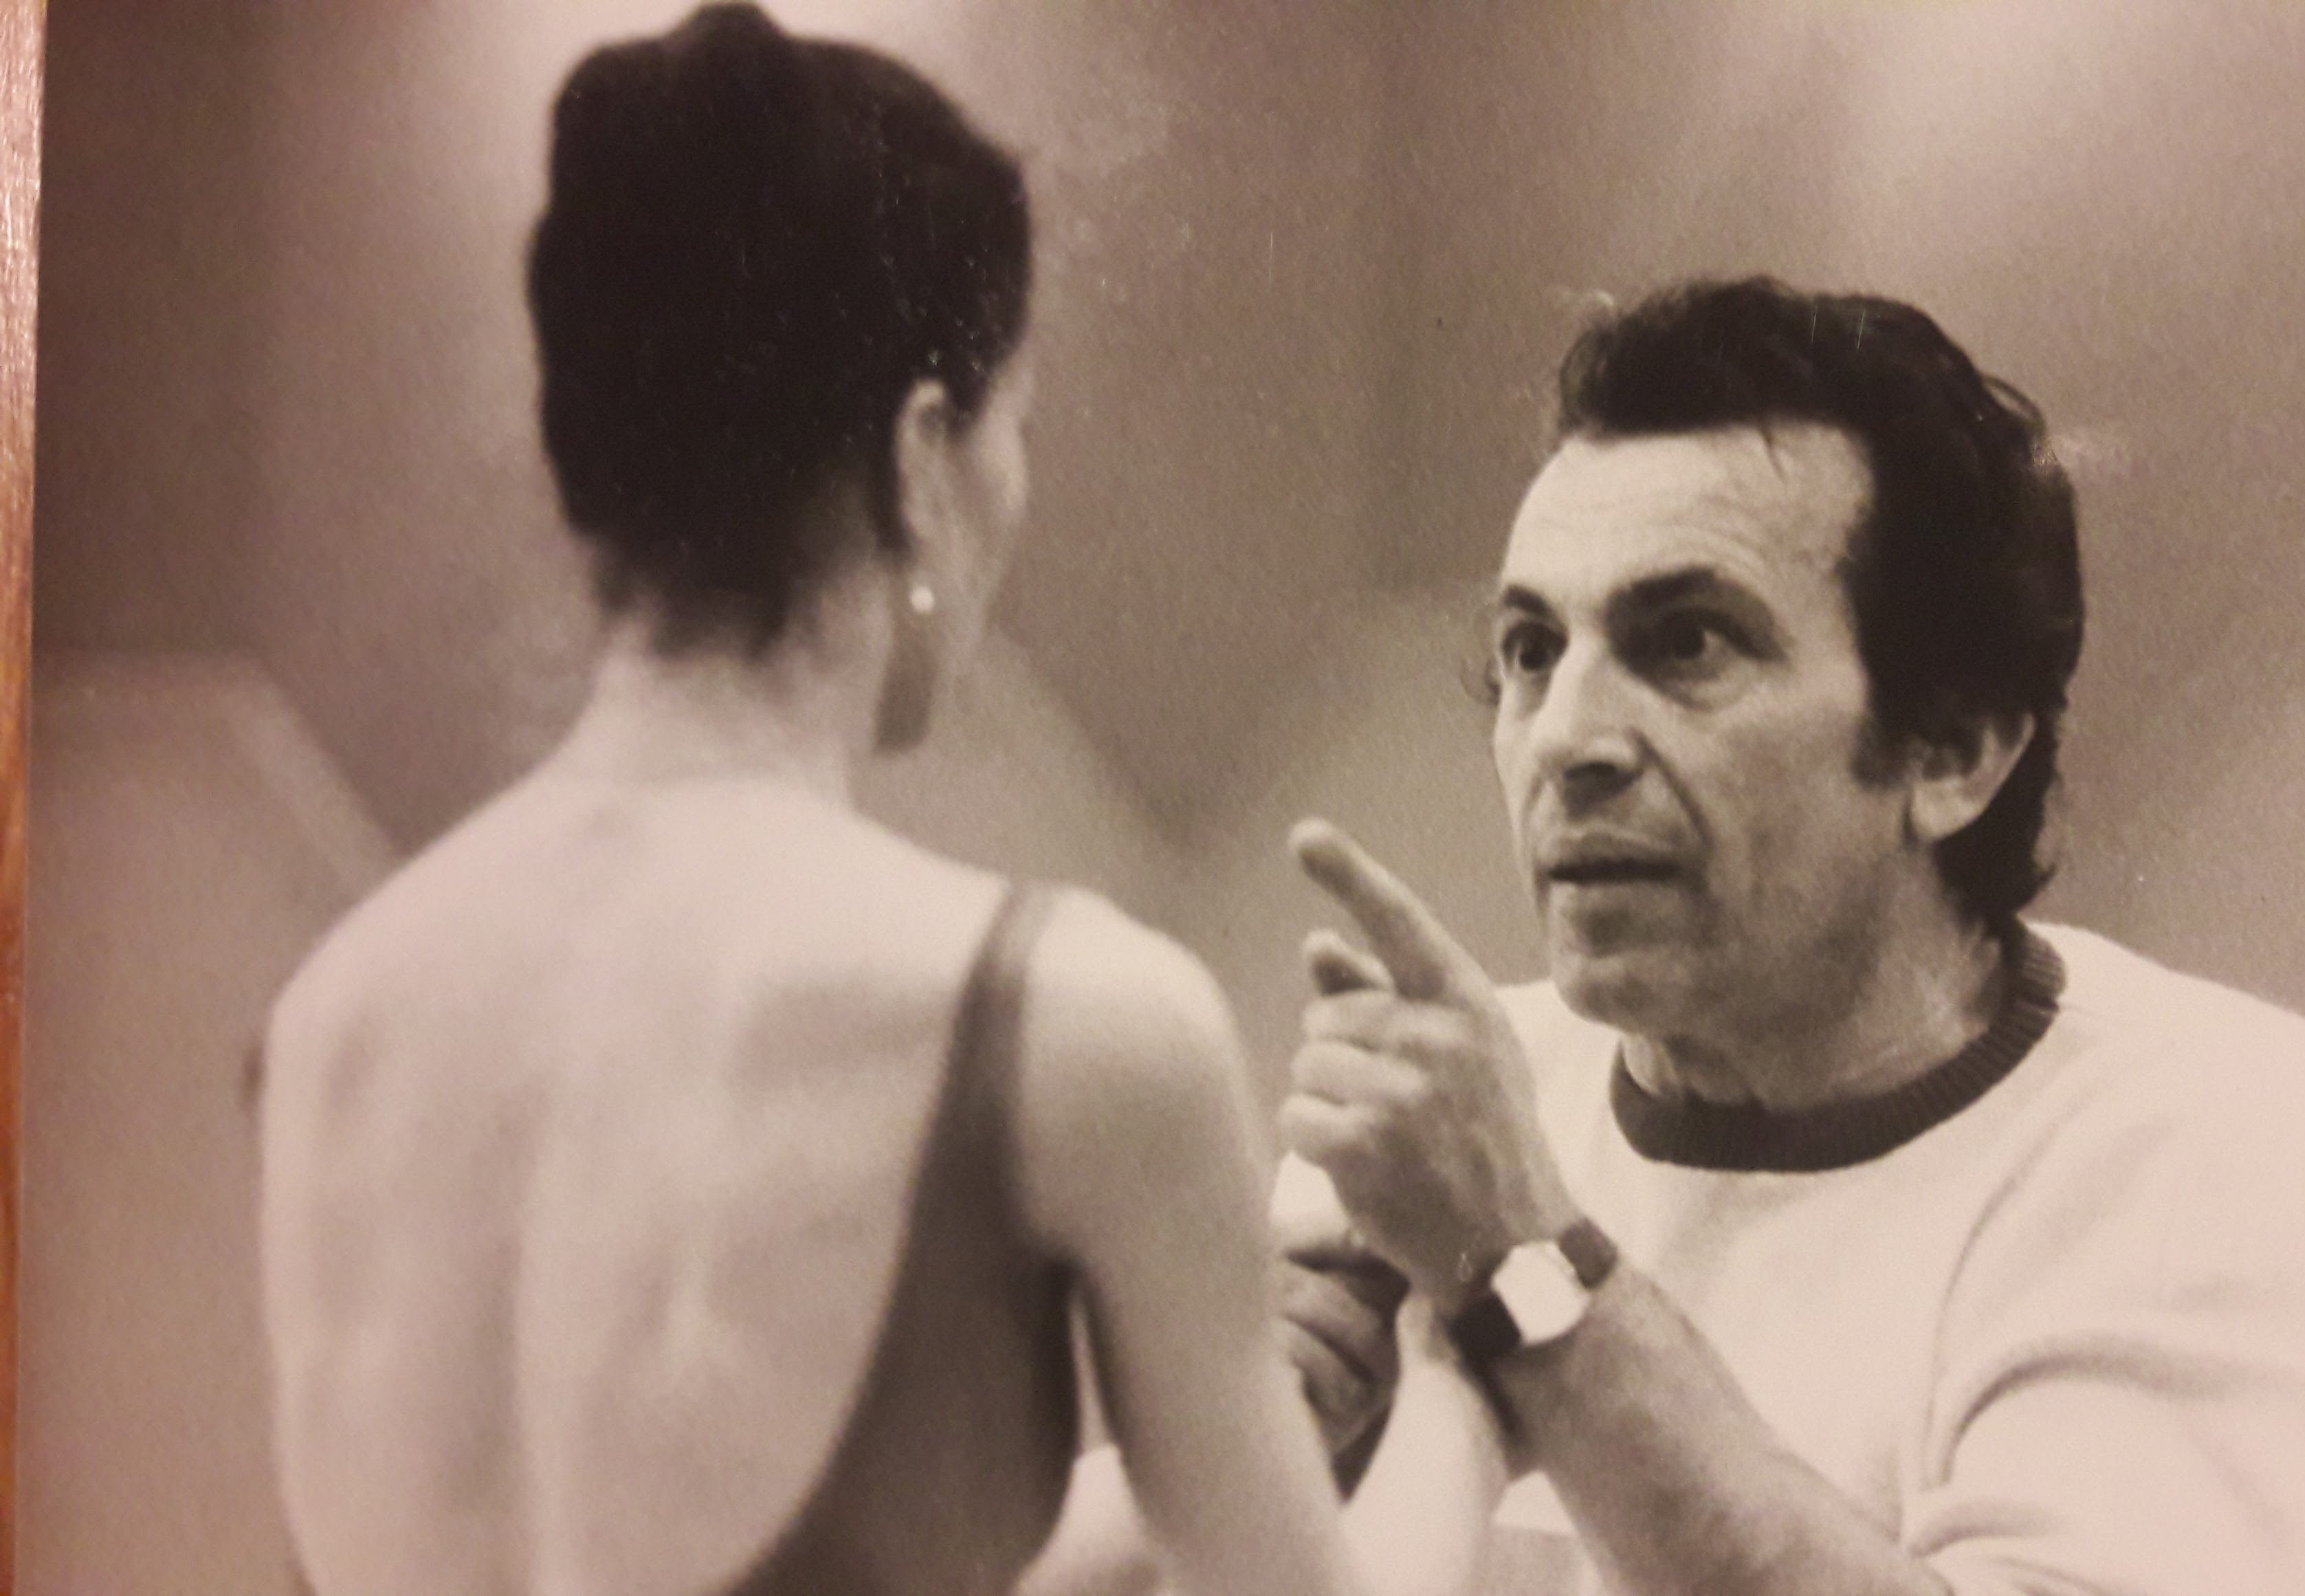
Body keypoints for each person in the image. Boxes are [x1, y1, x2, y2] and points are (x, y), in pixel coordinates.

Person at [250, 8, 1501, 1595]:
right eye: (1013, 430)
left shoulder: (333, 1017)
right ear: (920, 459)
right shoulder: (1078, 1019)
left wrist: (1230, 1422)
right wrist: (1472, 1368)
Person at [1274, 277, 2305, 1596]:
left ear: (1954, 749)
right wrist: (1263, 1481)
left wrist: (1530, 1274)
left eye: (1686, 642)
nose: (1567, 738)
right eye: (1531, 648)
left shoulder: (2238, 1152)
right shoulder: (1464, 1112)